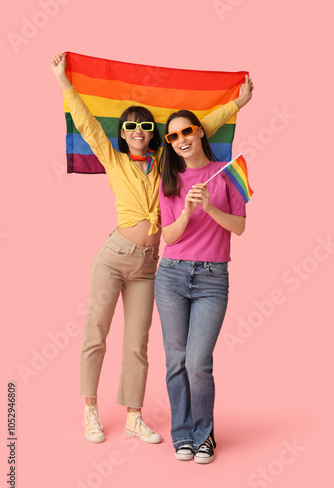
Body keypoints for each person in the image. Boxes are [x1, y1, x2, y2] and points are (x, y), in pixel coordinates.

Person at [51, 52, 253, 444]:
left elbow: (200, 128)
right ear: (124, 135)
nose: (139, 130)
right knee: (96, 331)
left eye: (145, 125)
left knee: (138, 343)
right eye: (131, 126)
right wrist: (64, 83)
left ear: (153, 133)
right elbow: (89, 126)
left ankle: (133, 416)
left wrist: (237, 104)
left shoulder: (166, 160)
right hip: (114, 257)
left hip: (150, 264)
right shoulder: (113, 160)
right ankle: (90, 410)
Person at [154, 109, 249, 463]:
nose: (181, 140)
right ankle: (182, 435)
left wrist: (209, 208)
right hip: (172, 275)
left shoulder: (228, 171)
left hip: (212, 278)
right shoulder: (169, 180)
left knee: (198, 362)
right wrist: (185, 213)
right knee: (176, 360)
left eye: (187, 131)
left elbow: (238, 227)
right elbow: (168, 237)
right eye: (173, 136)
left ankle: (203, 434)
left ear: (200, 132)